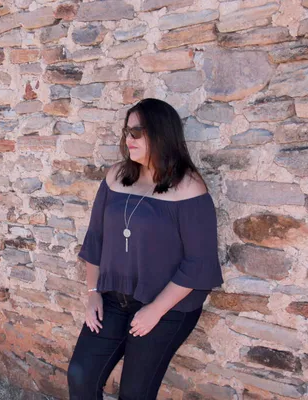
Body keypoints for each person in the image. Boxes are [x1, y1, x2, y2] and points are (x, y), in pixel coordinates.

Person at [67, 98, 224, 400]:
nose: (129, 139)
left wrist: (155, 310)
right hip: (113, 297)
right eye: (127, 131)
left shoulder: (189, 188)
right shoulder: (115, 177)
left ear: (161, 134)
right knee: (81, 378)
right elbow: (96, 239)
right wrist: (92, 293)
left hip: (167, 307)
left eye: (138, 132)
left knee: (135, 394)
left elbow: (199, 262)